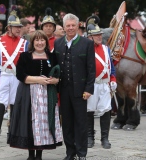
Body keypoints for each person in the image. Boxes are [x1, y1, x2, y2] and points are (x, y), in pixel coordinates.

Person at [8, 30, 63, 160]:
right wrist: (38, 80)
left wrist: (55, 80)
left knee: (44, 122)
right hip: (29, 93)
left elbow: (58, 74)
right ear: (32, 42)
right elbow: (20, 75)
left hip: (47, 94)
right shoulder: (25, 56)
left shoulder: (52, 56)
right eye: (36, 40)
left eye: (42, 40)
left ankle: (39, 154)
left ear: (46, 41)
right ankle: (30, 154)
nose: (40, 43)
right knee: (30, 122)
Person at [54, 13, 95, 160]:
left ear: (78, 26)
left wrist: (89, 89)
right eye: (68, 25)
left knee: (81, 123)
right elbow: (54, 66)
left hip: (80, 90)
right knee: (67, 123)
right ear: (64, 27)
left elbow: (91, 69)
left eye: (73, 25)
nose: (70, 28)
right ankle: (70, 152)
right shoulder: (57, 43)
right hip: (63, 89)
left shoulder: (87, 43)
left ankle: (81, 153)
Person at [0, 10, 28, 145]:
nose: (19, 29)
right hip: (3, 75)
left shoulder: (24, 43)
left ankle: (13, 133)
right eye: (16, 27)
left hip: (17, 76)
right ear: (9, 28)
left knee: (15, 104)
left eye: (20, 27)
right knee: (0, 104)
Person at [85, 15, 117, 149]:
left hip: (105, 84)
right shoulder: (85, 49)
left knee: (105, 111)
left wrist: (113, 79)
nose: (100, 37)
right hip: (91, 84)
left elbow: (111, 67)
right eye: (97, 35)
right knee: (89, 111)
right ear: (90, 37)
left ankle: (105, 138)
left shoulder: (106, 48)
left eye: (100, 34)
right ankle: (89, 137)